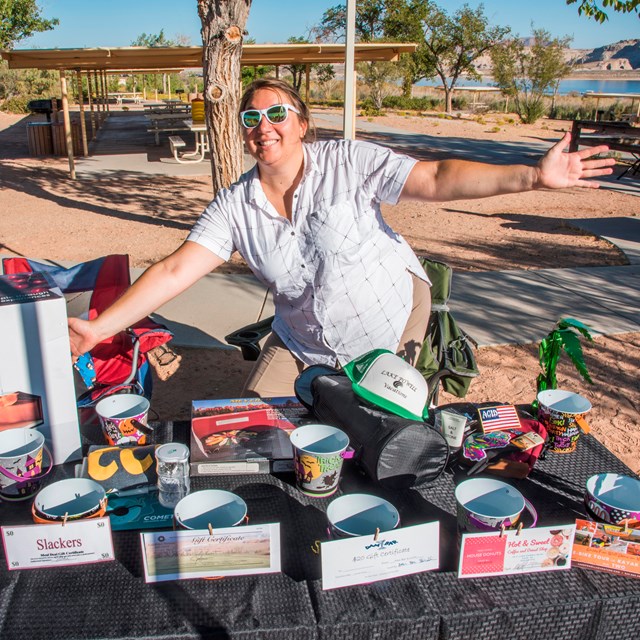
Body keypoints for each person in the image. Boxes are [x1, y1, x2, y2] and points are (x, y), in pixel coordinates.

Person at [68, 78, 615, 398]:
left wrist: (532, 175)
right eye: (251, 116)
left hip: (390, 312)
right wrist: (97, 329)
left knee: (383, 418)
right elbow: (172, 272)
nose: (265, 125)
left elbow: (434, 177)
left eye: (277, 112)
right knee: (257, 420)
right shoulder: (234, 205)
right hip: (304, 338)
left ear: (302, 123)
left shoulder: (349, 162)